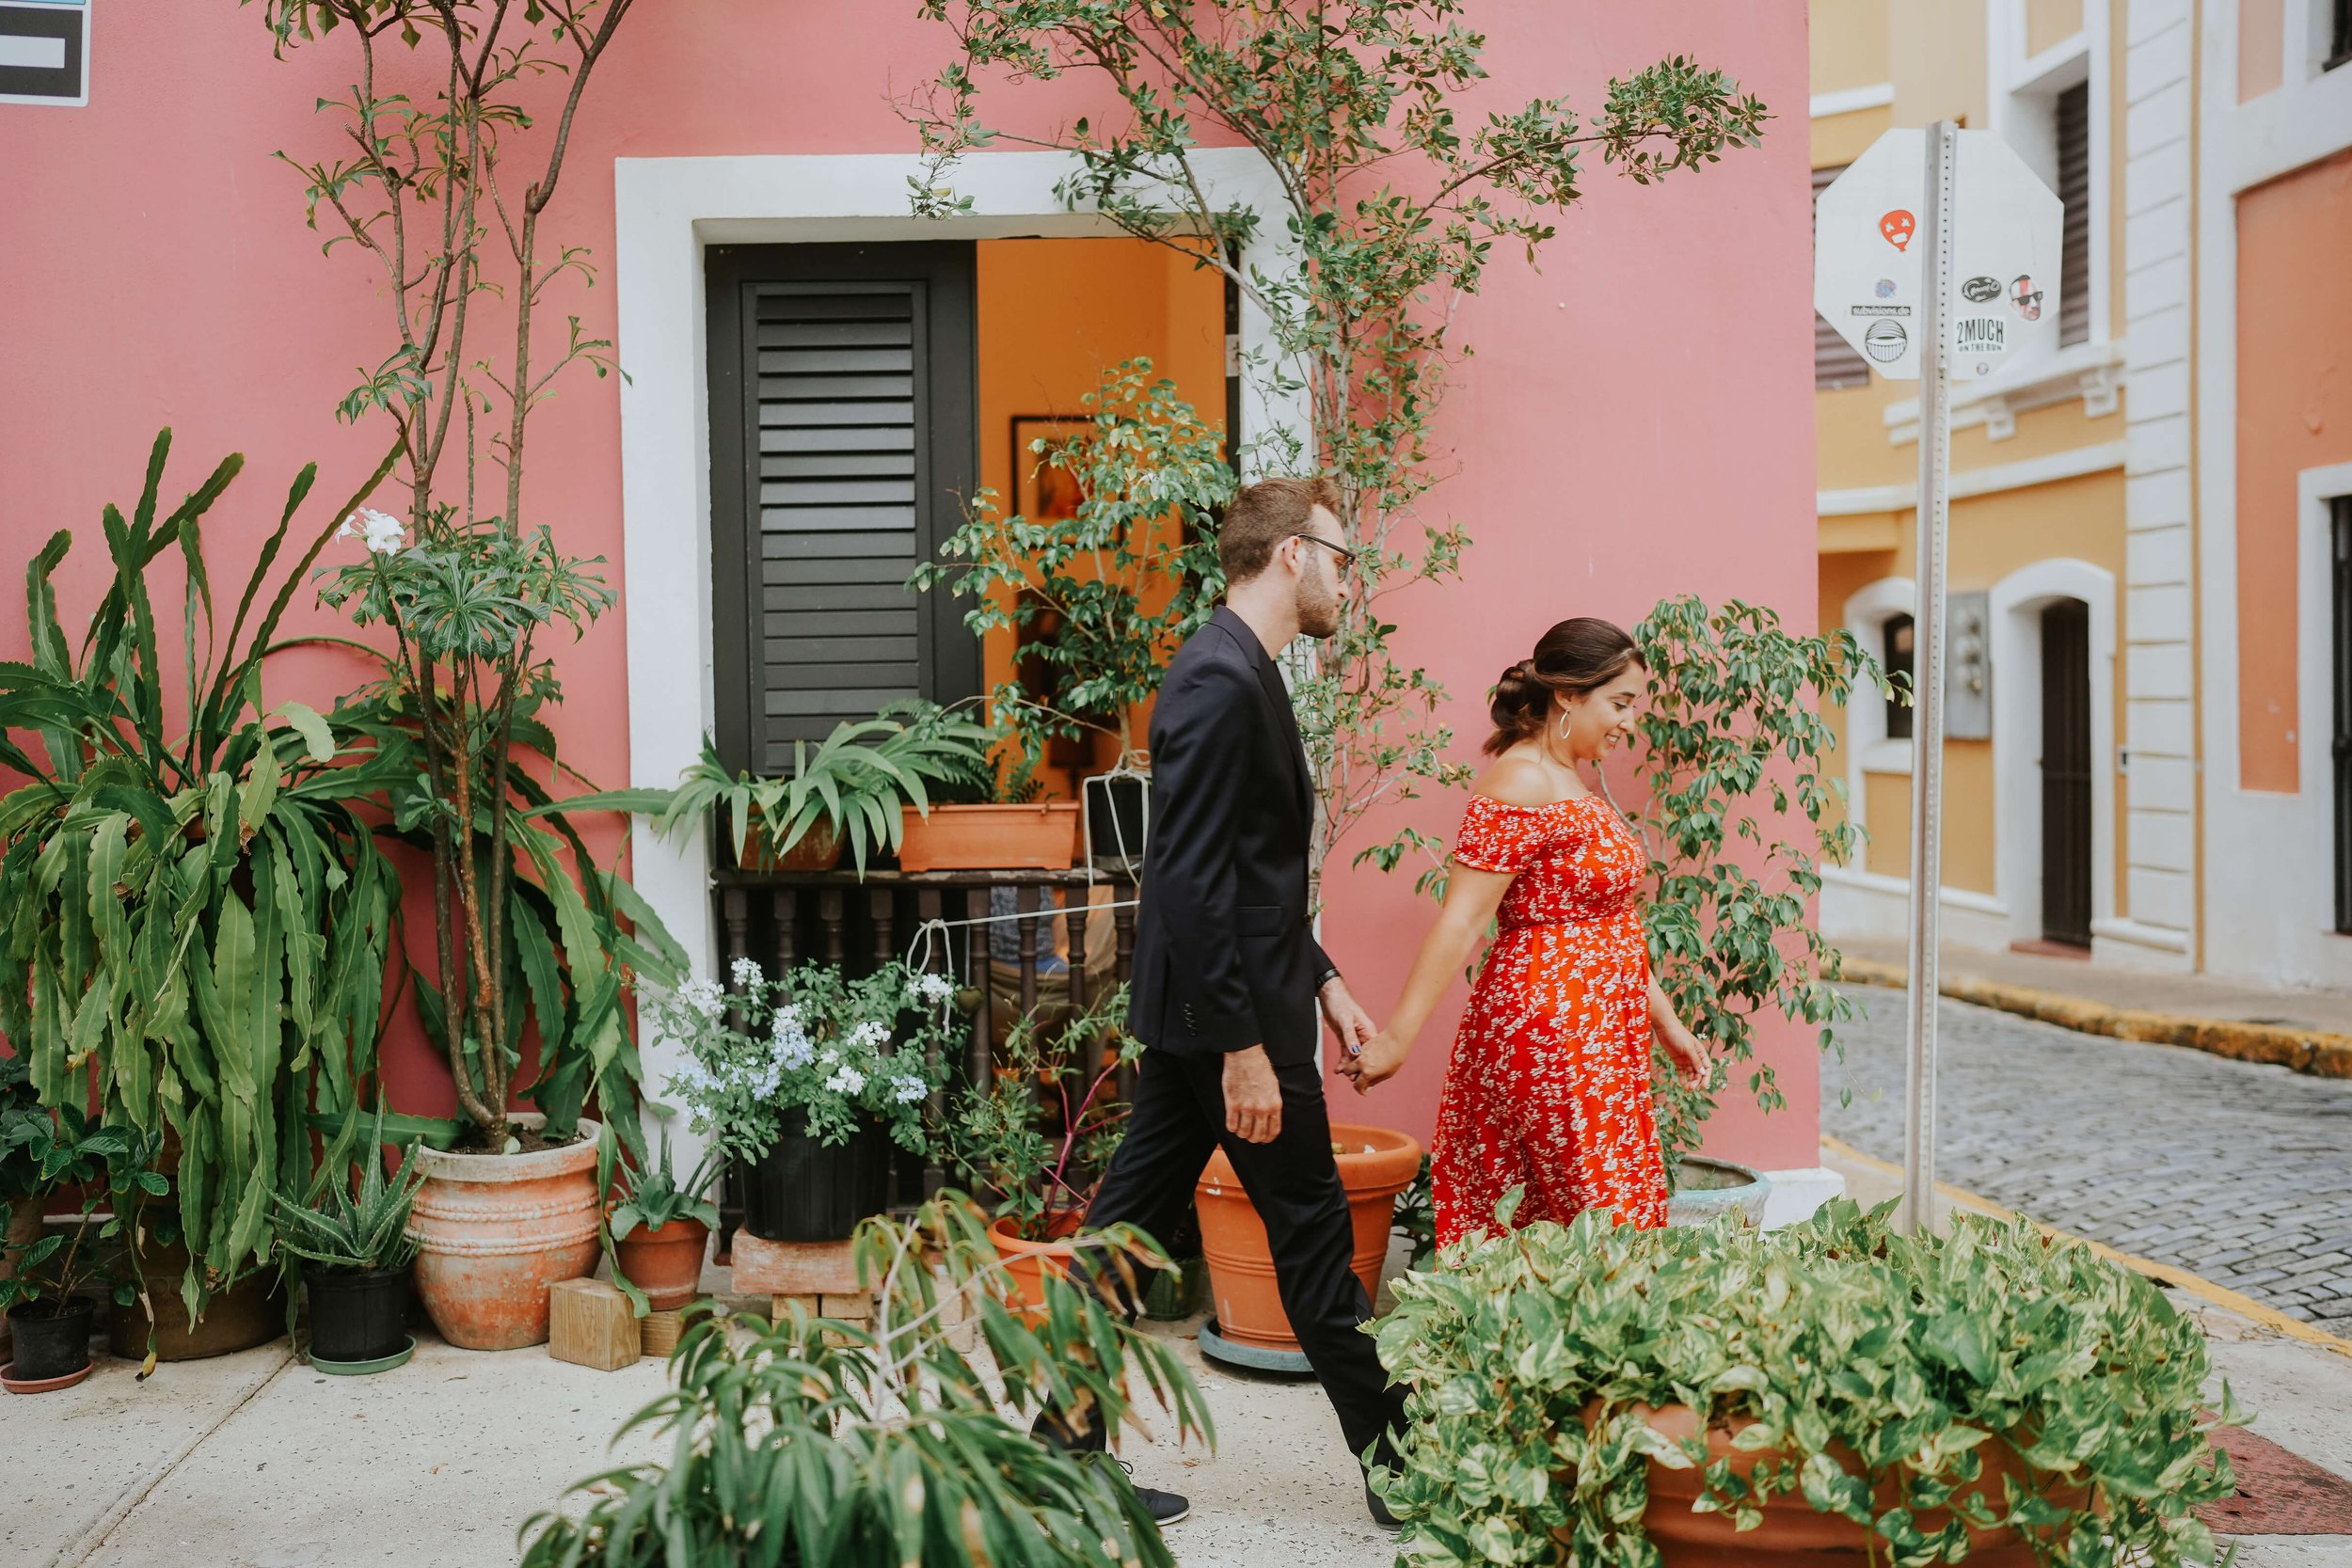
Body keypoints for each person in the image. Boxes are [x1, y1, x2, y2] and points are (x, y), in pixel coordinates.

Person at [1042, 476, 1408, 1530]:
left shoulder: (1242, 670)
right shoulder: (1215, 678)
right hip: (1224, 1021)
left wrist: (1327, 981)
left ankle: (1056, 1461)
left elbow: (1250, 877)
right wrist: (1246, 1046)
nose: (1349, 577)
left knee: (1121, 1242)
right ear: (1290, 553)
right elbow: (1189, 881)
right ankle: (1399, 1458)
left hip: (1215, 1010)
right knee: (1309, 1233)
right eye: (1342, 556)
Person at [1338, 617, 1708, 1248]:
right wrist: (1397, 1040)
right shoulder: (1522, 779)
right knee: (1594, 1218)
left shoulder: (1569, 778)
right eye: (1619, 703)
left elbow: (1609, 920)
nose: (1628, 722)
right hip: (1553, 1034)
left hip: (1601, 1032)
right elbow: (1463, 919)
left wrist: (1663, 1019)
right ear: (1568, 693)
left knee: (1592, 1217)